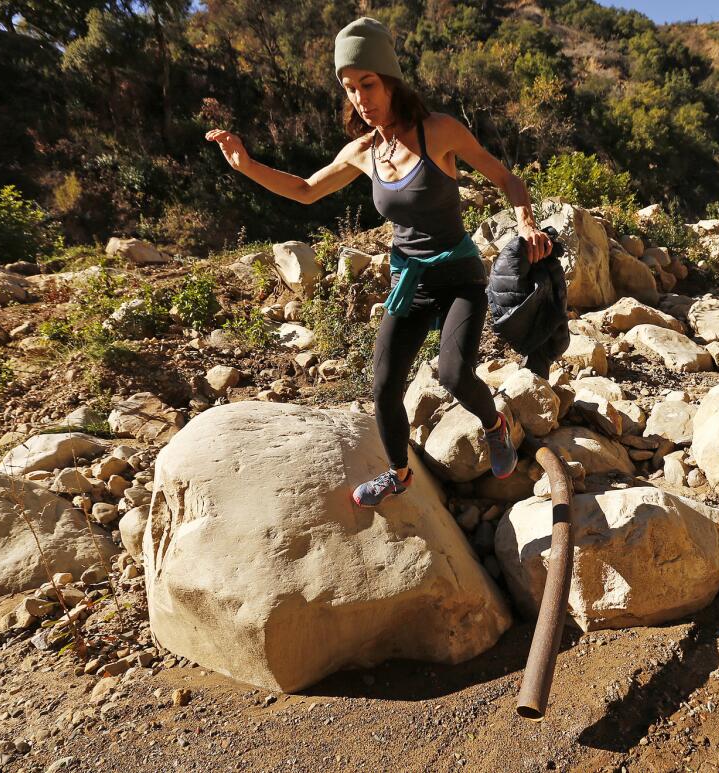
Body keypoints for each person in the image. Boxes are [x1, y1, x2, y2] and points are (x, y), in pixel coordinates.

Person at [206, 16, 553, 508]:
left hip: (458, 275)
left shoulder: (440, 132)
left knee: (454, 372)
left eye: (367, 84)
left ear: (390, 80)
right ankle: (398, 473)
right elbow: (305, 191)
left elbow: (506, 177)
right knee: (384, 386)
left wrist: (525, 223)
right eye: (349, 88)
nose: (360, 98)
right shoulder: (364, 152)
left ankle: (494, 423)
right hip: (410, 282)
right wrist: (246, 165)